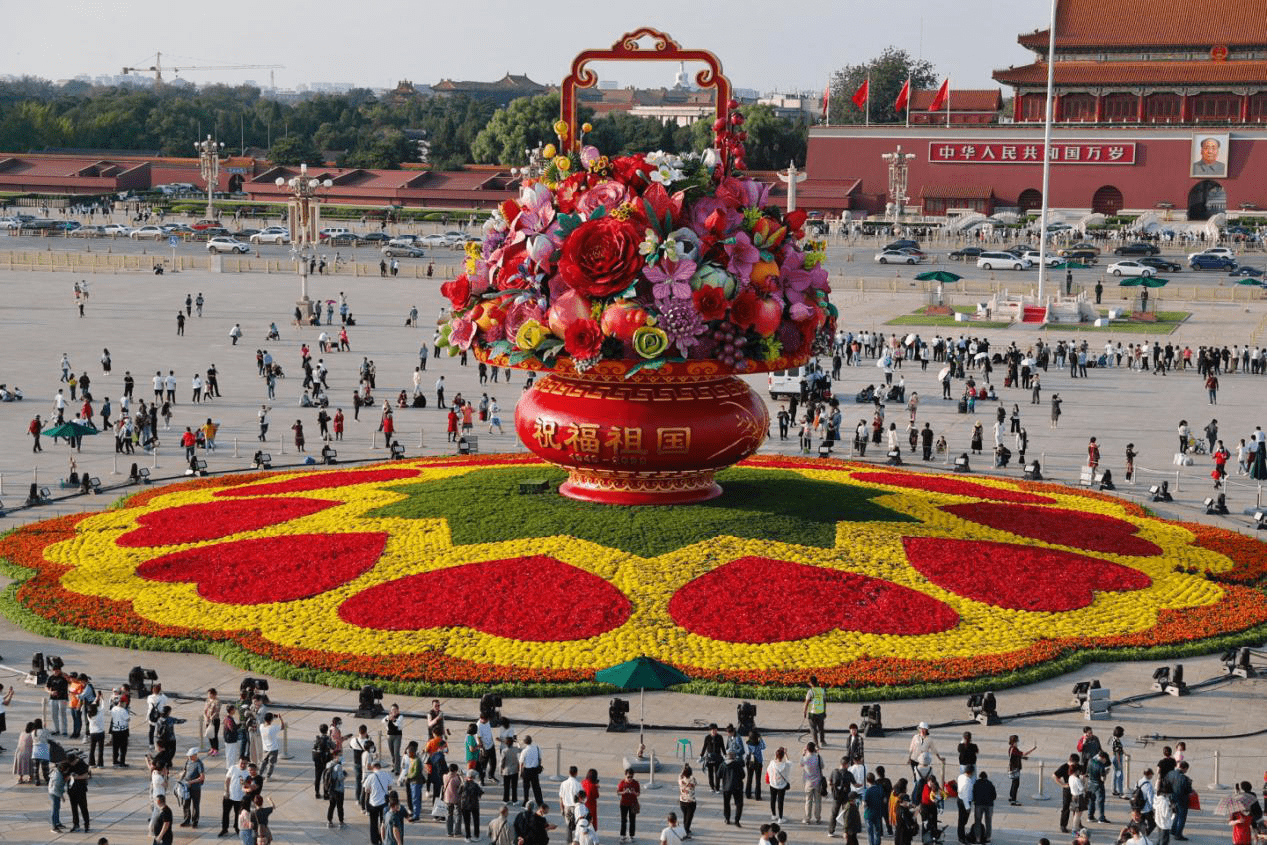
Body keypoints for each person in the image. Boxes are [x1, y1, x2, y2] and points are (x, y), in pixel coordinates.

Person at [363, 759, 393, 845]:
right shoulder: (386, 775)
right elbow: (390, 787)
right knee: (383, 822)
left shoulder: (371, 777)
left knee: (373, 823)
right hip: (384, 802)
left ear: (373, 767)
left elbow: (366, 789)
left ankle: (374, 841)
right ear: (380, 767)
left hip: (373, 803)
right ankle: (383, 838)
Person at [179, 747, 205, 829]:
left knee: (195, 805)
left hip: (195, 787)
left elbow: (202, 777)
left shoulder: (199, 763)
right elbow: (185, 771)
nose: (189, 757)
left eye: (191, 756)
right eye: (189, 756)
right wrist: (180, 780)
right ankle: (186, 819)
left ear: (195, 755)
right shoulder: (188, 761)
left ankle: (195, 821)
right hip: (186, 786)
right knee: (186, 803)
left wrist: (191, 782)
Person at [767, 747, 792, 823]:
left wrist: (776, 755)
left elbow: (768, 770)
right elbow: (789, 762)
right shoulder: (785, 765)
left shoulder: (772, 763)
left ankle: (774, 815)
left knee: (772, 799)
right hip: (781, 785)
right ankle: (780, 818)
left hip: (773, 784)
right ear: (783, 756)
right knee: (780, 801)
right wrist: (786, 754)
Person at [459, 768, 485, 841]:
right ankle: (476, 836)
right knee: (476, 821)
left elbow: (458, 792)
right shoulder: (476, 785)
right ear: (474, 777)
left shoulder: (463, 784)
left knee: (467, 822)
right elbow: (481, 792)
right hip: (474, 805)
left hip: (464, 805)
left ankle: (468, 836)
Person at [618, 767, 641, 843]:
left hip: (633, 804)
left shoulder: (636, 783)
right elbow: (618, 792)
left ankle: (631, 835)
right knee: (623, 820)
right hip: (624, 804)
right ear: (625, 776)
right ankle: (623, 836)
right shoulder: (622, 783)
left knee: (632, 820)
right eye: (628, 777)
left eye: (631, 777)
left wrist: (634, 793)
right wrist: (623, 792)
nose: (630, 779)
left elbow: (638, 793)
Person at [804, 676, 827, 748]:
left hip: (812, 713)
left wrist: (804, 711)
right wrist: (824, 711)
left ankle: (816, 744)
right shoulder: (821, 690)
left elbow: (807, 702)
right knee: (821, 728)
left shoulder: (810, 692)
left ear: (810, 683)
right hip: (820, 712)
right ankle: (822, 741)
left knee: (813, 729)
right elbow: (824, 702)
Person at [679, 763, 698, 839]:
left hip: (682, 801)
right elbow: (696, 783)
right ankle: (685, 832)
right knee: (689, 818)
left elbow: (681, 774)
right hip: (691, 801)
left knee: (685, 816)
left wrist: (684, 768)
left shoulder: (680, 779)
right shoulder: (692, 780)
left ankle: (686, 830)